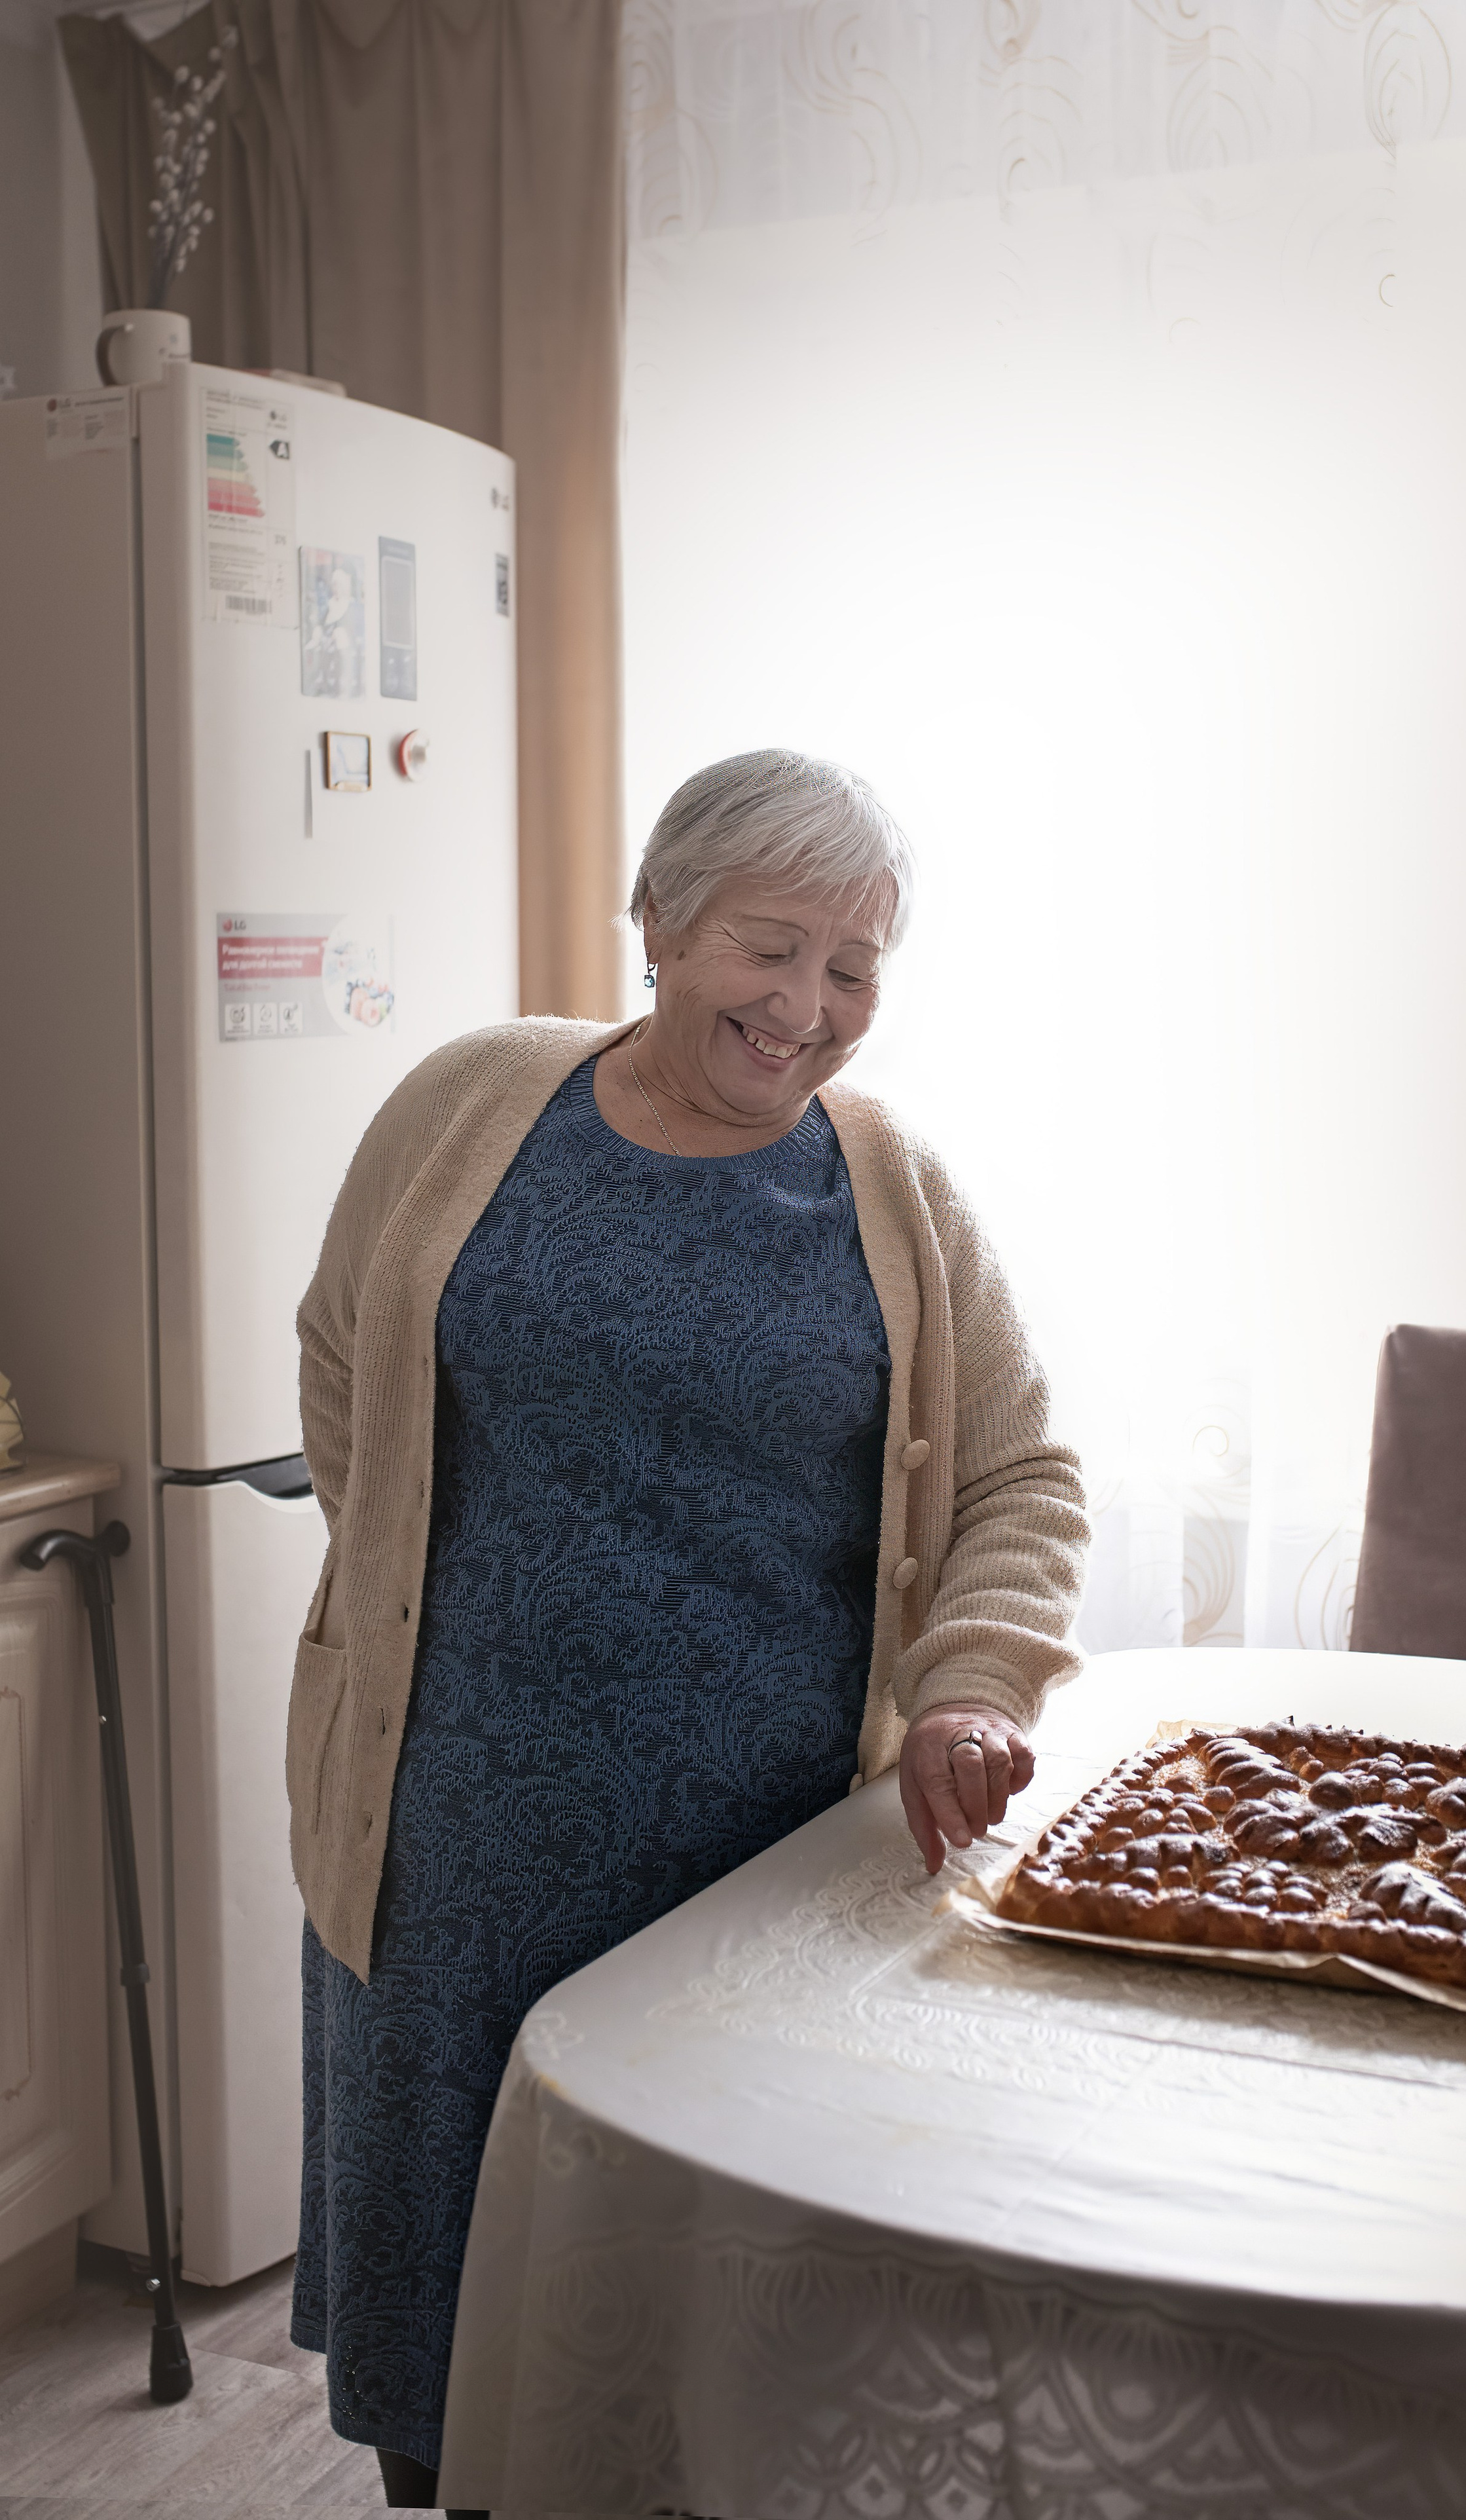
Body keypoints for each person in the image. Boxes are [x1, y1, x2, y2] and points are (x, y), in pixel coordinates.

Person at [284, 750, 1090, 2511]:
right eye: (770, 946)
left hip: (759, 1859)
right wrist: (416, 1593)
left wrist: (968, 1689)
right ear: (656, 923)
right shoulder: (471, 1103)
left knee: (720, 2346)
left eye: (856, 966)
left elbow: (1022, 1475)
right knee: (457, 2305)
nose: (808, 1009)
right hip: (453, 1839)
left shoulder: (896, 1192)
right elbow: (346, 1350)